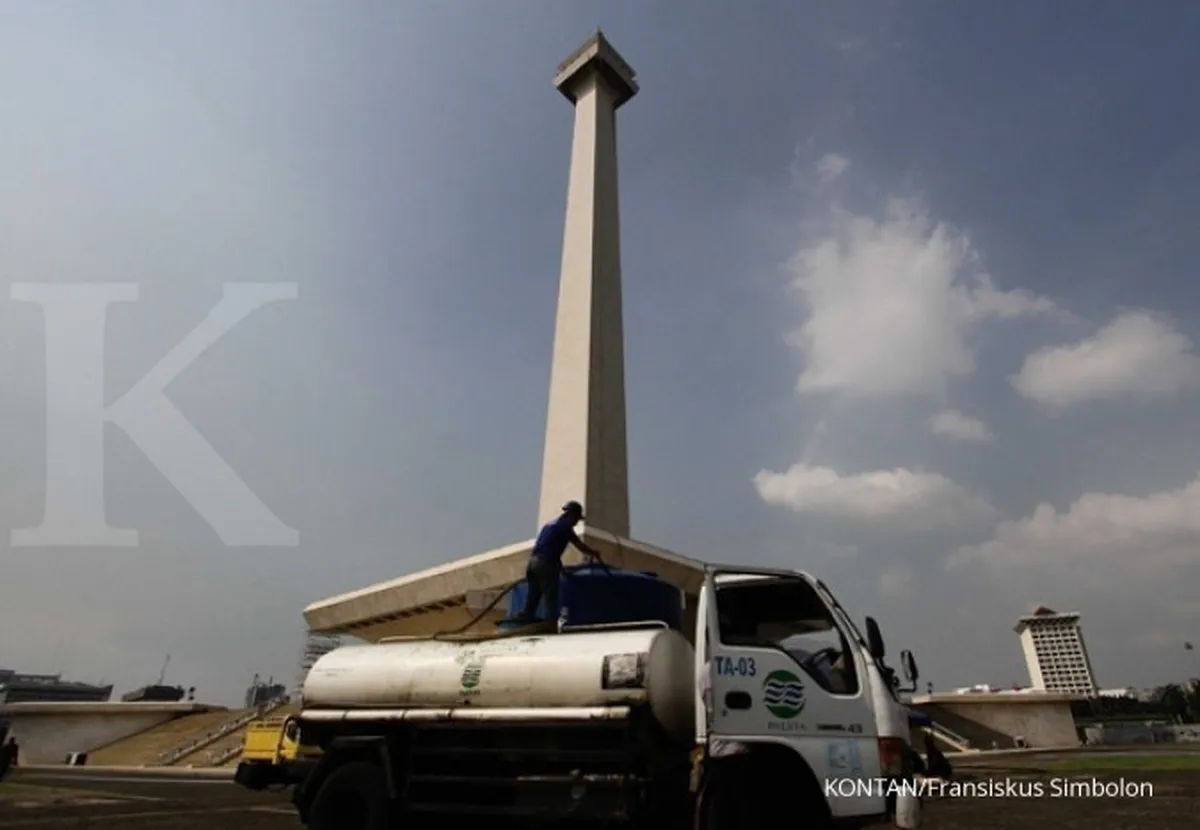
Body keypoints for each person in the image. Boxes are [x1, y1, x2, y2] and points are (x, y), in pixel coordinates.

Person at [517, 501, 603, 622]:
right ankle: (550, 623)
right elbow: (579, 546)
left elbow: (550, 549)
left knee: (534, 594)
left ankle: (526, 617)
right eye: (577, 518)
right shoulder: (565, 527)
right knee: (550, 596)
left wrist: (561, 570)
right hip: (545, 564)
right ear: (571, 515)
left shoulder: (549, 525)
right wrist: (594, 552)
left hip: (532, 563)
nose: (576, 522)